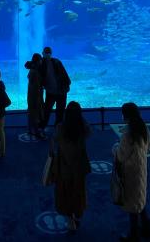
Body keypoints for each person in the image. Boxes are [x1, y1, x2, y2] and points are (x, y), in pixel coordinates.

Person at [112, 102, 150, 242]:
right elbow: (149, 147)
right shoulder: (143, 128)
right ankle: (147, 227)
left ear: (125, 115)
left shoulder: (127, 134)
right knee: (140, 197)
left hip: (129, 172)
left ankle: (133, 235)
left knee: (132, 202)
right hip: (141, 168)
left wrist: (115, 147)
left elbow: (121, 155)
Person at [53, 101, 91, 232]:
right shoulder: (83, 129)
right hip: (79, 166)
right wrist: (79, 118)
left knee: (65, 192)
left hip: (64, 167)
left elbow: (55, 142)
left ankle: (70, 220)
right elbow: (89, 130)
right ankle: (77, 215)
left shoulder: (60, 128)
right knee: (78, 191)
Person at [40, 47, 71, 128]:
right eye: (46, 53)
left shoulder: (56, 62)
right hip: (52, 91)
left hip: (59, 91)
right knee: (49, 111)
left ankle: (57, 129)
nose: (47, 54)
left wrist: (67, 84)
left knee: (57, 111)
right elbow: (28, 64)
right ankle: (46, 127)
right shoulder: (42, 63)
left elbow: (64, 75)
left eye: (48, 53)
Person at [25, 53, 45, 138]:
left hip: (31, 96)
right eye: (40, 60)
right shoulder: (35, 72)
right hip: (36, 97)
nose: (41, 62)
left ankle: (30, 129)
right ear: (38, 61)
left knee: (31, 112)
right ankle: (37, 132)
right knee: (36, 114)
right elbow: (37, 88)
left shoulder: (32, 70)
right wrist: (39, 99)